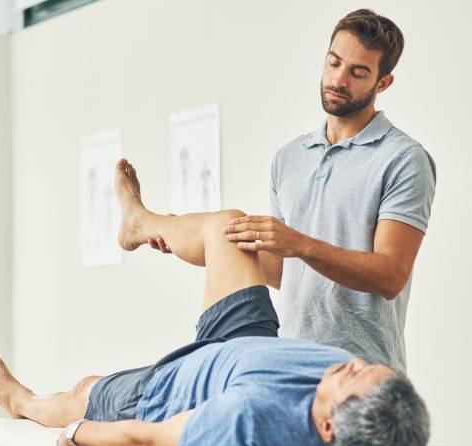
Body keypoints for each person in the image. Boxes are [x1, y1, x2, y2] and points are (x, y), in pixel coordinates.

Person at [0, 160, 429, 446]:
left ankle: (22, 401)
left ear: (327, 425)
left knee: (85, 390)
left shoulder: (251, 416)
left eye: (352, 377)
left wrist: (77, 432)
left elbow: (148, 442)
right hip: (246, 341)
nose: (352, 362)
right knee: (230, 227)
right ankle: (141, 222)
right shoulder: (347, 382)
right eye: (366, 367)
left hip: (168, 389)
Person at [151, 9, 436, 374]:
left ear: (383, 83)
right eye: (333, 63)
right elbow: (288, 273)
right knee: (224, 227)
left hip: (362, 374)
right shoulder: (289, 159)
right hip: (290, 365)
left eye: (358, 72)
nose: (338, 79)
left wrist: (301, 243)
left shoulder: (404, 158)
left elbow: (390, 276)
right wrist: (207, 249)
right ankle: (154, 225)